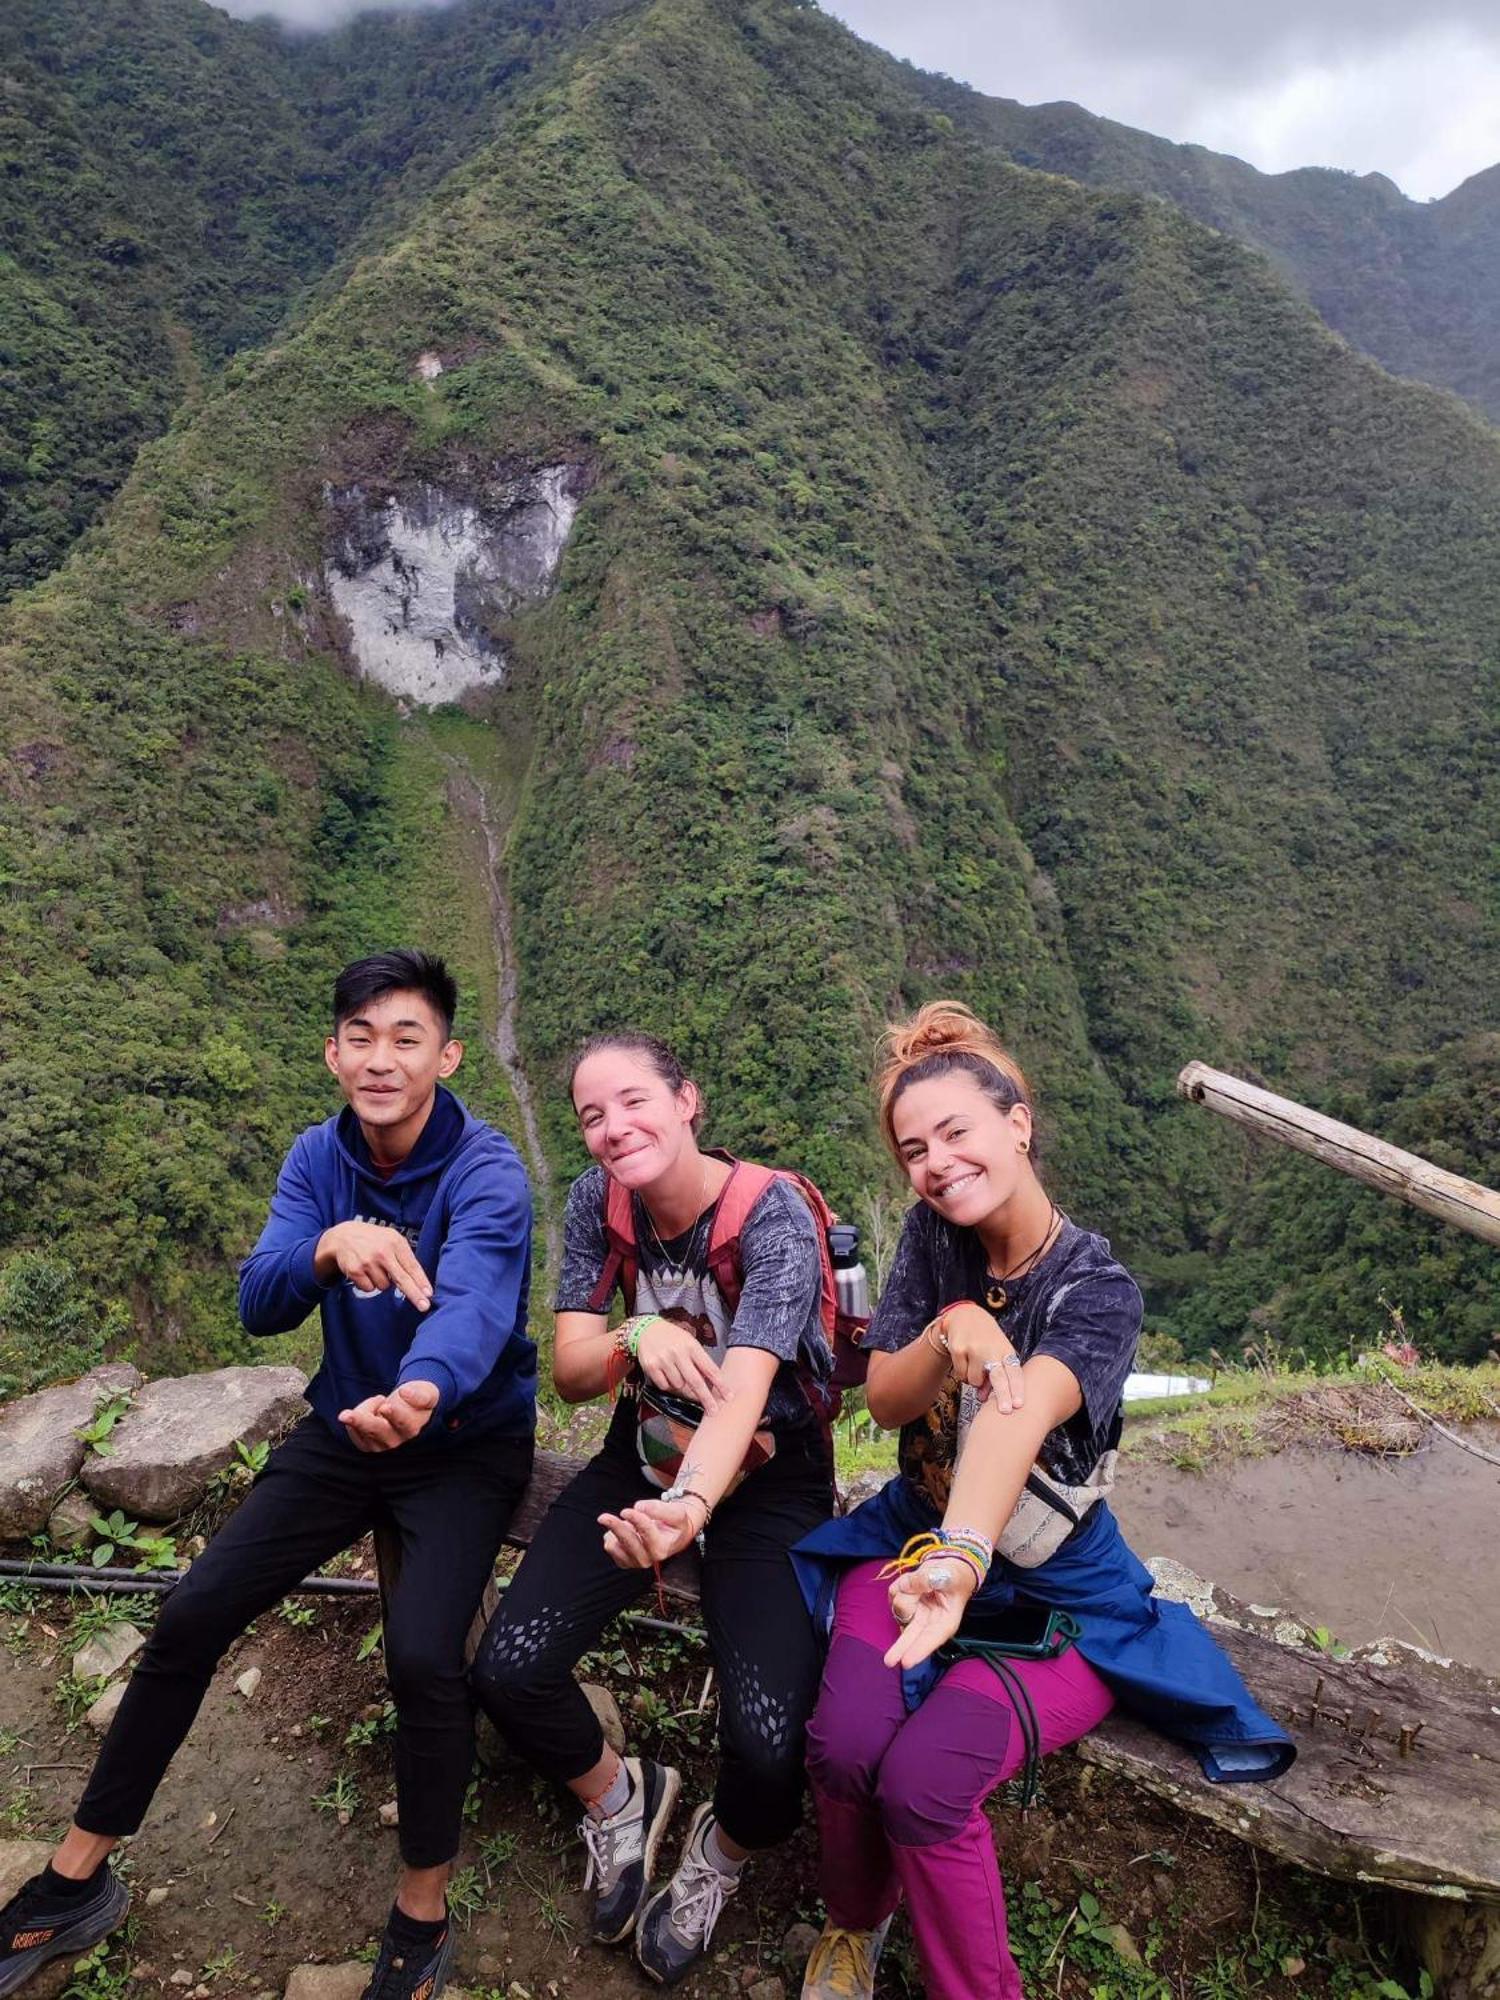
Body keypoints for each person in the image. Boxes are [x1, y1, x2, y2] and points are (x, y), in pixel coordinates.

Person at [0, 950, 536, 2000]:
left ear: (447, 1052)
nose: (383, 1058)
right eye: (363, 1036)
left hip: (459, 1437)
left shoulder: (487, 1169)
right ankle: (76, 1879)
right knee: (193, 1607)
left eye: (408, 1036)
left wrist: (420, 1390)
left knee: (427, 1657)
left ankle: (421, 1913)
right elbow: (260, 1299)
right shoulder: (316, 1158)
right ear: (334, 1050)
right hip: (344, 1424)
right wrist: (330, 1246)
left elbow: (473, 1300)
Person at [793, 1002, 1294, 2000]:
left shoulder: (1096, 1289)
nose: (935, 1162)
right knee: (843, 1746)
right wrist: (952, 1326)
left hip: (1055, 1590)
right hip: (913, 1538)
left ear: (1017, 1122)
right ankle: (857, 1919)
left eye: (957, 1132)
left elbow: (1016, 1424)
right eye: (913, 1149)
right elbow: (885, 1391)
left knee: (926, 1783)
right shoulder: (938, 1240)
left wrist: (961, 1557)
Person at [469, 1029, 835, 1987]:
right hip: (644, 1454)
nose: (611, 1128)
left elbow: (750, 1385)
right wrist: (637, 1331)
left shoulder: (774, 1215)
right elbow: (574, 1371)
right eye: (591, 1114)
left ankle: (721, 1854)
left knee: (768, 1746)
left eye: (633, 1101)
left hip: (763, 1481)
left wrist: (688, 1509)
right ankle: (621, 1794)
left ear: (688, 1099)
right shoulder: (600, 1201)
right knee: (507, 1670)